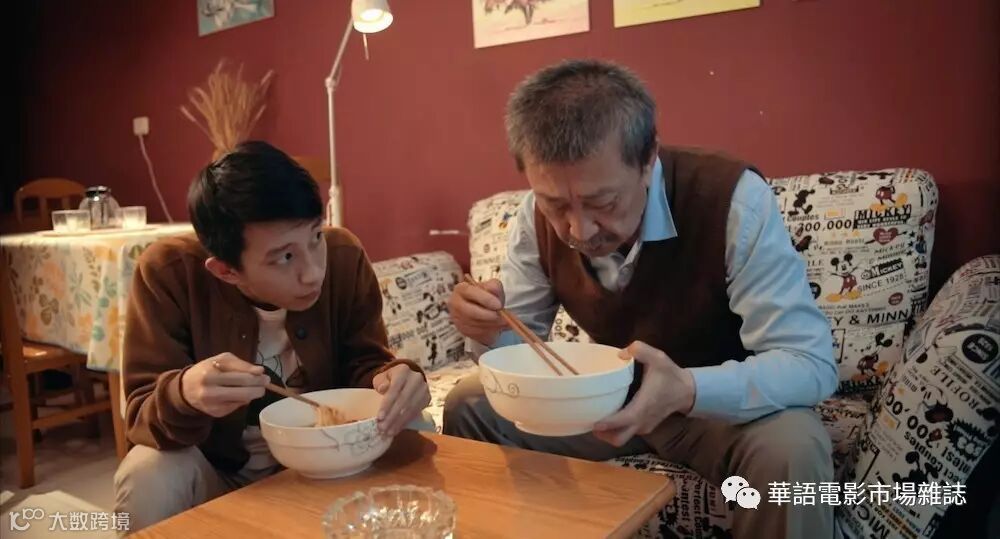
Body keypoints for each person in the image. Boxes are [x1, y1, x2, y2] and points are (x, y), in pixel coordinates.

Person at [443, 60, 838, 539]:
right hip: (608, 403)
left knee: (792, 450)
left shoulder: (733, 200)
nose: (578, 230)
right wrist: (487, 331)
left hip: (715, 407)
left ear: (648, 158)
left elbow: (809, 362)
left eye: (603, 203)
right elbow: (521, 355)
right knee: (470, 402)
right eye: (556, 205)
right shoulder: (534, 217)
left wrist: (687, 388)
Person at [113, 141, 430, 531]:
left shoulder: (344, 256)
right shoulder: (168, 273)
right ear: (226, 271)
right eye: (285, 257)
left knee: (414, 423)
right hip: (217, 473)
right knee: (147, 475)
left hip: (324, 467)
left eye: (315, 237)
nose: (313, 272)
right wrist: (184, 393)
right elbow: (140, 416)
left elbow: (365, 363)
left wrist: (392, 379)